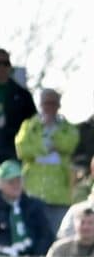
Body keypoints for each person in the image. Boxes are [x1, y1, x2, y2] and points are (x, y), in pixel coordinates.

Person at [16, 87, 79, 222]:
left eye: (53, 103)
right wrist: (46, 148)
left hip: (60, 193)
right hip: (33, 190)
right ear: (40, 105)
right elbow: (22, 149)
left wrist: (49, 140)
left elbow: (69, 144)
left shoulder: (67, 127)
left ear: (59, 105)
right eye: (46, 103)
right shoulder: (29, 126)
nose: (49, 107)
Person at [0, 48, 37, 175]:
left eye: (6, 63)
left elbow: (33, 125)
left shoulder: (23, 95)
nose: (2, 67)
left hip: (13, 152)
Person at [0, 161, 55, 257]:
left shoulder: (35, 205)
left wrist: (36, 256)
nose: (16, 185)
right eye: (11, 182)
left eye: (18, 181)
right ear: (0, 184)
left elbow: (45, 235)